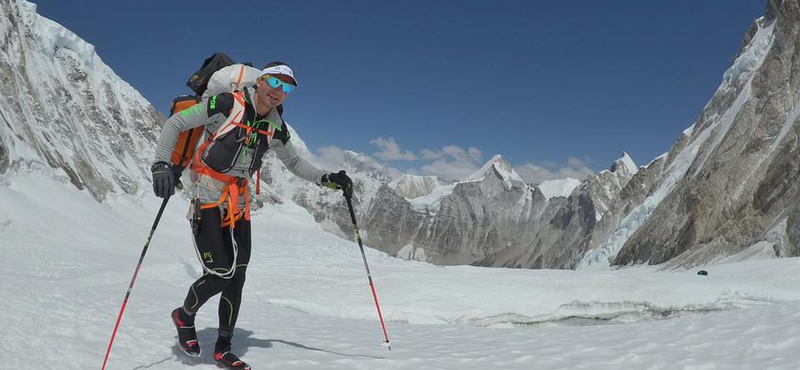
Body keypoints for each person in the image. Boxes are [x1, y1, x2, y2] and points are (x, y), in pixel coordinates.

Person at [151, 62, 353, 370]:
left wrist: (327, 178)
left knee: (238, 275)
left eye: (286, 87)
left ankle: (223, 348)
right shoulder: (227, 103)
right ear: (260, 81)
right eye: (274, 82)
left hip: (240, 203)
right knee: (221, 272)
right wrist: (161, 164)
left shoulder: (275, 127)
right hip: (207, 195)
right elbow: (176, 124)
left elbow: (296, 164)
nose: (278, 91)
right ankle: (184, 316)